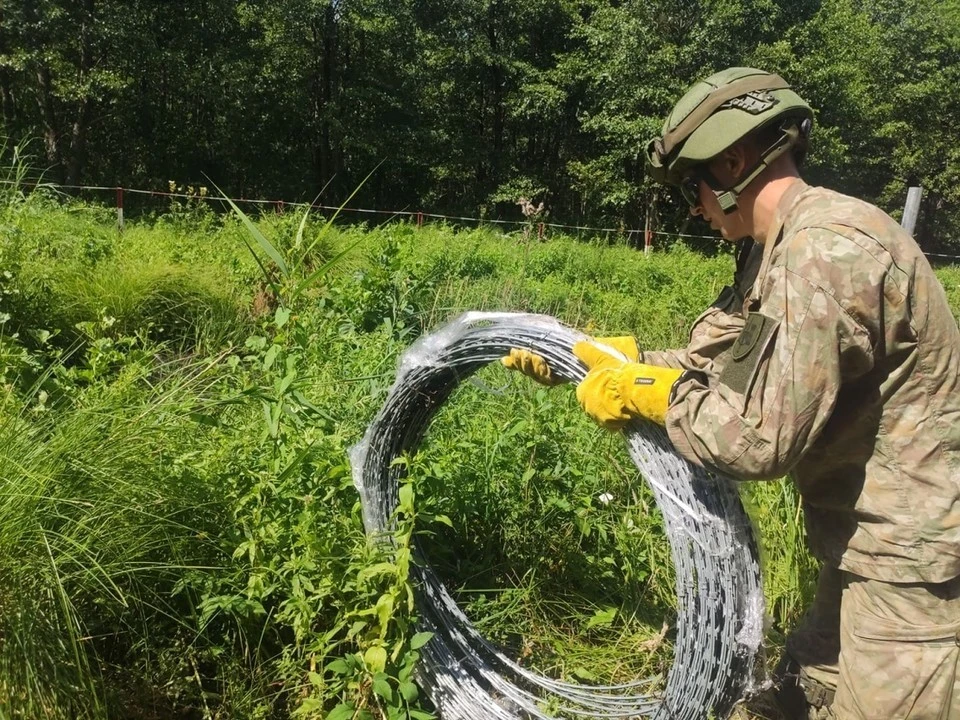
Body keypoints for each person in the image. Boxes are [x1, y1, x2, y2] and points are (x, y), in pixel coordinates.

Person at [502, 67, 960, 719]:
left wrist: (650, 395)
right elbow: (720, 364)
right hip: (861, 547)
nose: (694, 207)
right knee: (789, 701)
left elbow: (754, 435)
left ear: (735, 162)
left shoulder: (824, 254)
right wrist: (599, 360)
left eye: (694, 187)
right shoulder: (777, 251)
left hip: (912, 569)